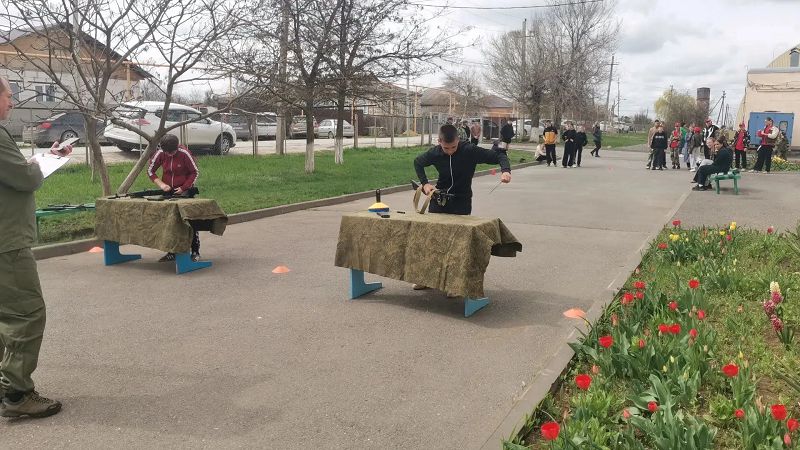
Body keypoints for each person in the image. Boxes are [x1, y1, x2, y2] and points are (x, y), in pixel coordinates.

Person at [0, 75, 73, 418]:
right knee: (26, 314)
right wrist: (36, 165)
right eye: (8, 95)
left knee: (4, 314)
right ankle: (17, 394)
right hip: (7, 243)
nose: (12, 101)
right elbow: (25, 178)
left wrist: (41, 157)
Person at [412, 124, 511, 291]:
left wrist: (506, 171)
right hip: (439, 201)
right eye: (446, 148)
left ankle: (454, 285)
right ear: (439, 142)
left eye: (453, 147)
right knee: (434, 241)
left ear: (458, 140)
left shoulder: (469, 150)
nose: (450, 151)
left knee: (457, 245)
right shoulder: (435, 153)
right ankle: (427, 279)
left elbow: (499, 155)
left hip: (461, 202)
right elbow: (418, 162)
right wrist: (425, 184)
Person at [147, 134, 201, 261]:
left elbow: (194, 172)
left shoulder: (184, 154)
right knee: (169, 222)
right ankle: (171, 252)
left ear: (177, 147)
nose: (170, 155)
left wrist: (184, 187)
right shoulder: (160, 153)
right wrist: (161, 184)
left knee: (189, 222)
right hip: (168, 191)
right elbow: (150, 171)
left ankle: (195, 251)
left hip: (184, 191)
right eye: (167, 152)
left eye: (172, 152)